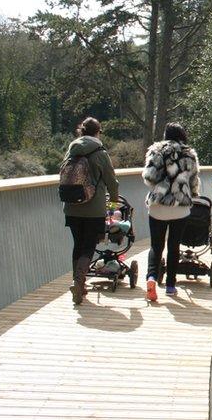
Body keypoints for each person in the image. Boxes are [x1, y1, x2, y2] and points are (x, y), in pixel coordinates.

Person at [62, 117, 119, 305]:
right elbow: (112, 181)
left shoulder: (71, 150)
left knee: (77, 244)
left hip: (71, 207)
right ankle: (79, 281)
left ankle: (77, 283)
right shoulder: (100, 152)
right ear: (98, 132)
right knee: (89, 245)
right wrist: (113, 203)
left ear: (81, 131)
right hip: (94, 208)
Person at [142, 122, 200, 301]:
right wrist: (192, 194)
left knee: (156, 246)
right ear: (182, 134)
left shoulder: (156, 151)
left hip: (158, 206)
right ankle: (170, 286)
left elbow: (149, 177)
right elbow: (194, 181)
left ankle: (151, 278)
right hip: (180, 207)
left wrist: (159, 188)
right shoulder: (189, 154)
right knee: (174, 246)